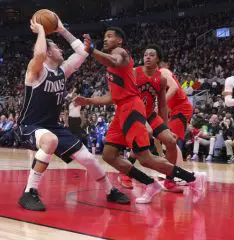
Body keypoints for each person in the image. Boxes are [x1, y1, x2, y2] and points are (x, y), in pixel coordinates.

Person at [74, 27, 206, 204]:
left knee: (148, 155)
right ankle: (150, 183)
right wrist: (89, 101)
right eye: (104, 36)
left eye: (110, 36)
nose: (105, 39)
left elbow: (115, 60)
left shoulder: (121, 54)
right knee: (109, 155)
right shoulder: (127, 71)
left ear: (119, 41)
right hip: (123, 109)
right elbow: (113, 97)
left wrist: (91, 50)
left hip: (136, 109)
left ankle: (191, 178)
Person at [18, 16, 129, 211]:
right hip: (30, 126)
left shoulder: (62, 71)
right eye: (57, 48)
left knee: (88, 159)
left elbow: (82, 51)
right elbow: (39, 55)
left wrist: (61, 29)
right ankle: (29, 192)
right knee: (50, 140)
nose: (61, 50)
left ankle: (110, 191)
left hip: (52, 127)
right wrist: (42, 32)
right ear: (49, 53)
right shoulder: (36, 71)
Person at [118, 45, 184, 193]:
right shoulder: (135, 73)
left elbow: (162, 106)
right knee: (144, 138)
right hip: (134, 113)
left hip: (150, 114)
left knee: (171, 141)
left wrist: (166, 128)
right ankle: (125, 172)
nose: (147, 57)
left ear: (158, 59)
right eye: (145, 55)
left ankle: (169, 180)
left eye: (151, 55)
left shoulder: (160, 79)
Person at [159, 62, 194, 161]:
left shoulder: (163, 71)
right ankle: (174, 168)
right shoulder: (156, 80)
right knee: (166, 140)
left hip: (182, 109)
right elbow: (168, 108)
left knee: (170, 140)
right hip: (175, 110)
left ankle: (175, 170)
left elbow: (175, 87)